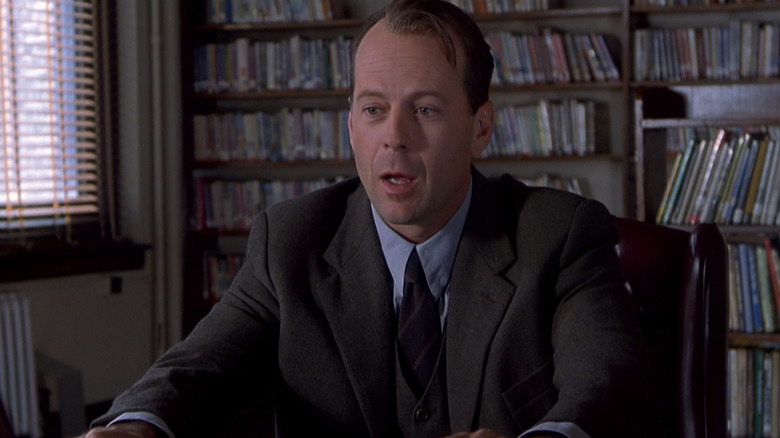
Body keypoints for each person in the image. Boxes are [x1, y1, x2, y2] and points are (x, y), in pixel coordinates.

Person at [82, 0, 661, 437]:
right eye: (374, 110)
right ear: (350, 126)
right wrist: (133, 426)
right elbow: (196, 372)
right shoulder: (290, 242)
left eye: (426, 110)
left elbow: (609, 384)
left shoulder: (559, 235)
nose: (395, 138)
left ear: (480, 127)